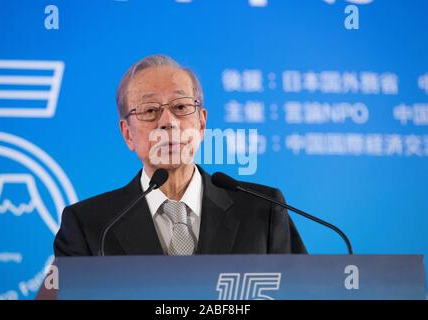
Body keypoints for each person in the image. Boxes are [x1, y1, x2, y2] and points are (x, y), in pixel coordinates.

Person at [53, 54, 307, 256]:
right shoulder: (88, 226)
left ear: (201, 123)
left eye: (181, 107)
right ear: (128, 134)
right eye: (150, 110)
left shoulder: (264, 209)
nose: (168, 122)